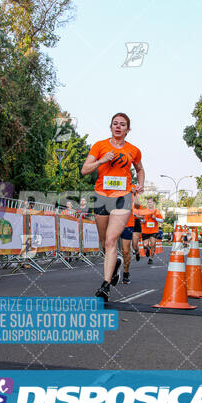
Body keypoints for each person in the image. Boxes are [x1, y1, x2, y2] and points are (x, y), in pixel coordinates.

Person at [81, 113, 144, 301]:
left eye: (122, 124)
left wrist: (140, 183)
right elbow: (85, 170)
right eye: (115, 124)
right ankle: (115, 264)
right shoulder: (100, 146)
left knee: (111, 240)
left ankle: (106, 286)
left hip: (122, 197)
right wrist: (101, 160)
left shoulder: (134, 150)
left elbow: (140, 169)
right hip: (101, 197)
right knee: (103, 242)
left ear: (128, 129)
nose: (118, 127)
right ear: (110, 127)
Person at [120, 186, 141, 284]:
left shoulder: (131, 187)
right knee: (106, 247)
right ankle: (113, 270)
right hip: (112, 220)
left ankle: (126, 273)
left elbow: (137, 205)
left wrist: (134, 193)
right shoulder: (110, 180)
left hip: (128, 223)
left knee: (125, 251)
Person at [141, 198, 163, 265]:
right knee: (145, 245)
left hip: (154, 231)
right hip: (145, 230)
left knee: (153, 244)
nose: (149, 203)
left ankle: (151, 258)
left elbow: (162, 220)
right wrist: (142, 221)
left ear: (153, 203)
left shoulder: (157, 211)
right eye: (148, 202)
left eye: (150, 202)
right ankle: (147, 249)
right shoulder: (144, 211)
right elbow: (140, 219)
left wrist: (155, 218)